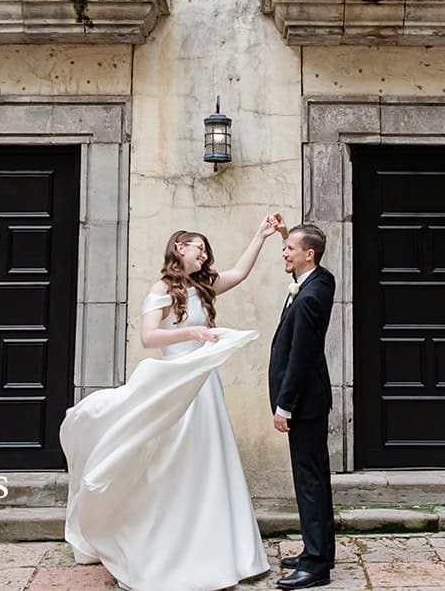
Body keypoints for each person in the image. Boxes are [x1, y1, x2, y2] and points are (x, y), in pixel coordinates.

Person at [62, 218, 282, 591]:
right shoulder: (162, 288)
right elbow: (150, 337)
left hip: (205, 384)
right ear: (180, 247)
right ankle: (163, 545)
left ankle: (224, 551)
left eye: (206, 250)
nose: (205, 253)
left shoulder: (203, 286)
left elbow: (241, 273)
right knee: (176, 462)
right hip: (177, 383)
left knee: (211, 460)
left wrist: (260, 235)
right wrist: (192, 332)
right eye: (199, 247)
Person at [269, 222, 336, 590]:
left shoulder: (309, 296)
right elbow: (304, 252)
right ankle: (320, 550)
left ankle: (315, 566)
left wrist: (285, 406)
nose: (284, 252)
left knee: (309, 482)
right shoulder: (319, 280)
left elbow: (302, 357)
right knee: (316, 477)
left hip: (304, 403)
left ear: (308, 254)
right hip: (311, 402)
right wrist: (286, 235)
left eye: (289, 249)